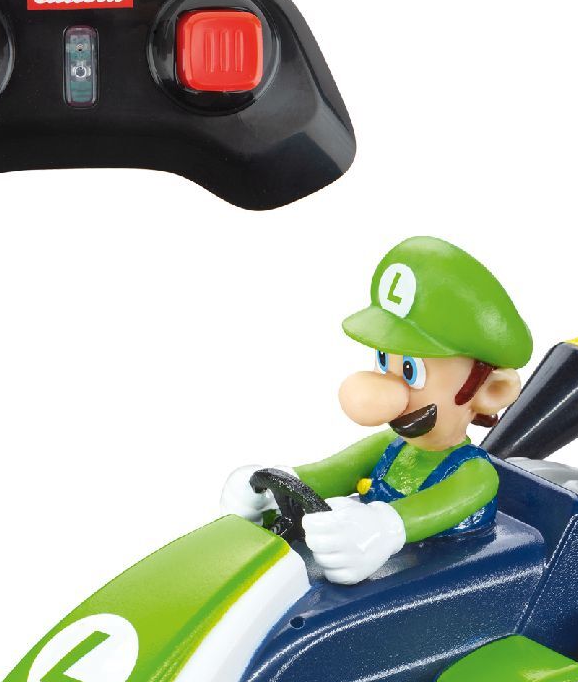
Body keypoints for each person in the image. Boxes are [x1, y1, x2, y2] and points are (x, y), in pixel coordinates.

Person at [221, 236, 532, 583]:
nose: (385, 390)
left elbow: (424, 511)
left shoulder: (474, 475)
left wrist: (380, 529)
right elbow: (331, 471)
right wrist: (274, 485)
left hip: (453, 578)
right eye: (384, 361)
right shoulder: (390, 447)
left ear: (491, 391)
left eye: (411, 371)